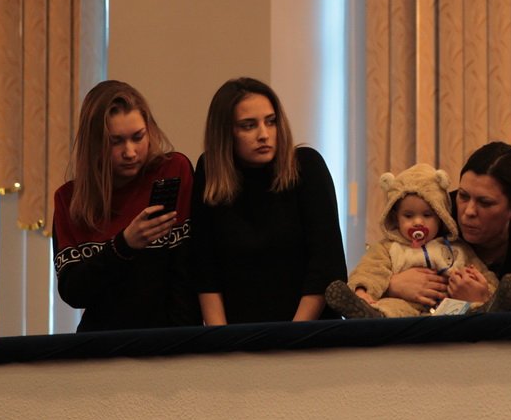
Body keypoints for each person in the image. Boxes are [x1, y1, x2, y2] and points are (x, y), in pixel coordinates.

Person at [189, 77, 347, 324]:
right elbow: (206, 271)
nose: (264, 134)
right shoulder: (209, 171)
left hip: (309, 331)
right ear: (225, 133)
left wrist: (292, 337)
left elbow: (327, 267)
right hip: (240, 334)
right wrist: (220, 340)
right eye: (248, 126)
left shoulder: (307, 166)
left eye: (271, 122)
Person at [52, 80, 200, 332]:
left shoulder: (174, 170)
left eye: (138, 137)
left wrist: (184, 343)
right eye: (115, 141)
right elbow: (73, 292)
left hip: (173, 340)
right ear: (94, 144)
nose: (130, 152)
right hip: (104, 343)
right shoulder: (70, 199)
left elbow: (188, 271)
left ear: (150, 131)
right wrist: (123, 245)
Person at [385, 142, 511, 311]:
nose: (468, 211)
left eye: (485, 203)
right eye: (463, 196)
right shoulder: (438, 213)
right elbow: (386, 255)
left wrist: (482, 303)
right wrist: (392, 285)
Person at [324, 163, 511, 318]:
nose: (418, 222)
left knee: (469, 308)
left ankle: (493, 308)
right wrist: (361, 292)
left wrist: (488, 293)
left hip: (449, 310)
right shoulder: (388, 249)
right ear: (395, 218)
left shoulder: (456, 249)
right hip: (404, 307)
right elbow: (370, 271)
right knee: (389, 309)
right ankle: (367, 315)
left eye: (427, 215)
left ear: (441, 216)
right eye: (408, 216)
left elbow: (482, 273)